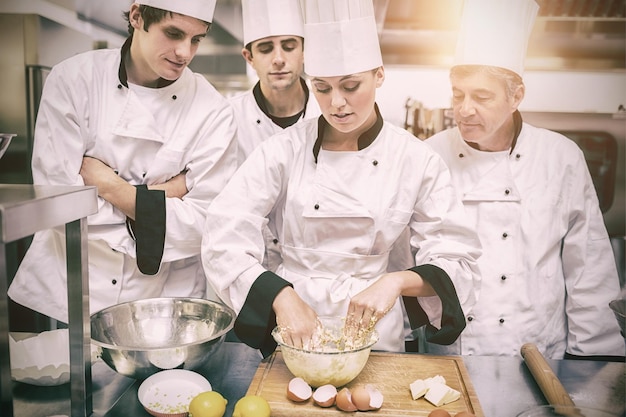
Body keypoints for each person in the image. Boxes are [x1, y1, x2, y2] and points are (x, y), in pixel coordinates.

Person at [201, 0, 481, 356]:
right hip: (293, 329)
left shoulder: (414, 159)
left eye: (350, 86)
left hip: (377, 333)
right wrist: (281, 296)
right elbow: (222, 235)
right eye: (321, 87)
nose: (336, 104)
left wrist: (396, 282)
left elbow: (458, 258)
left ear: (379, 74)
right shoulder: (283, 150)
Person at [8, 0, 238, 323]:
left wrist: (111, 188)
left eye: (196, 39)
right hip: (69, 294)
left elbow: (206, 225)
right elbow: (56, 206)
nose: (185, 52)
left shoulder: (213, 111)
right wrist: (168, 194)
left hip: (163, 304)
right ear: (137, 16)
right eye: (173, 33)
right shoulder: (73, 82)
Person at [425, 0, 625, 360]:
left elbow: (588, 267)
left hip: (541, 355)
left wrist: (594, 362)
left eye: (482, 96)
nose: (464, 109)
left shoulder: (560, 158)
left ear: (516, 97)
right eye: (458, 94)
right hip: (452, 357)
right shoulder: (429, 157)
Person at [229, 0, 321, 272]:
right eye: (266, 48)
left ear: (304, 50)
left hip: (315, 276)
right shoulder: (227, 119)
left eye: (289, 46)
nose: (279, 58)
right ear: (249, 57)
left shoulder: (331, 115)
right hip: (247, 272)